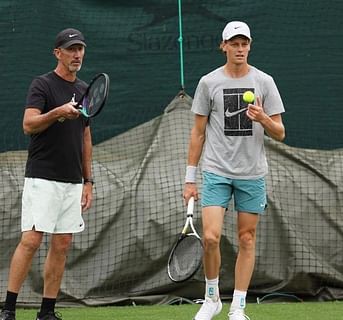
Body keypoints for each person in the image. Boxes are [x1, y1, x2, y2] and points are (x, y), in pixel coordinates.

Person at [183, 21, 285, 320]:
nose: (240, 49)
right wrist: (190, 178)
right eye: (234, 43)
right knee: (211, 237)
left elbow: (279, 132)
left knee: (247, 238)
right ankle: (211, 298)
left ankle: (238, 305)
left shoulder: (264, 81)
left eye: (244, 43)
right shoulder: (208, 82)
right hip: (216, 170)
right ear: (223, 46)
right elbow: (197, 133)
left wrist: (263, 118)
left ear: (249, 46)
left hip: (252, 174)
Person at [0, 28, 94, 320]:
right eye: (71, 49)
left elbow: (86, 136)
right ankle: (8, 309)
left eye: (80, 49)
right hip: (42, 176)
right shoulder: (42, 84)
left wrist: (88, 181)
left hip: (72, 179)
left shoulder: (85, 89)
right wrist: (57, 112)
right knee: (31, 240)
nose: (77, 54)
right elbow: (29, 125)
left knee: (62, 244)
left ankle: (47, 312)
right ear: (58, 53)